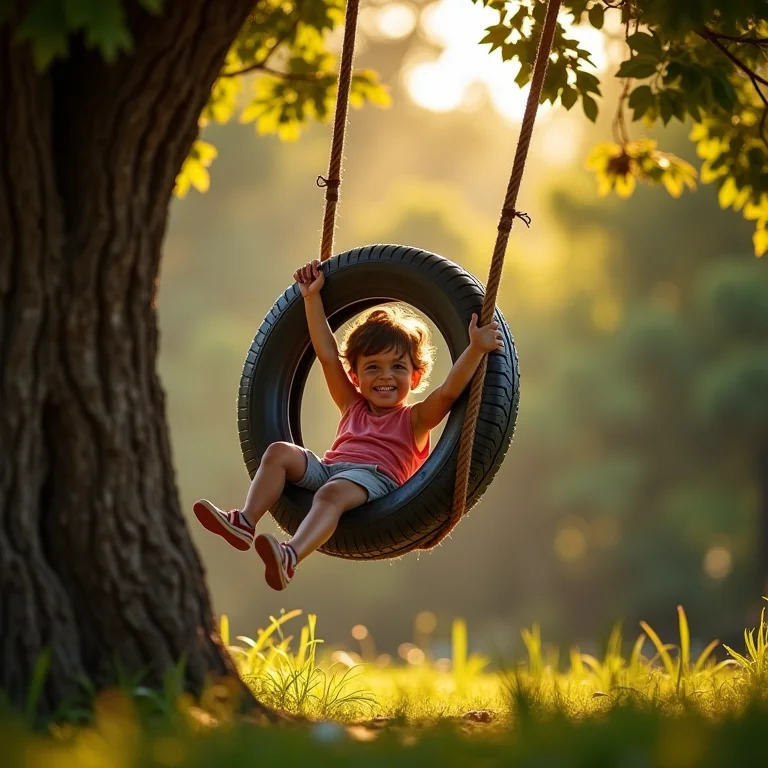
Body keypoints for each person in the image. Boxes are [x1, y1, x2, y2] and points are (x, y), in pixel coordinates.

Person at [193, 259, 503, 590]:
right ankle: (245, 521)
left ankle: (290, 556)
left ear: (415, 376)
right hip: (331, 468)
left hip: (376, 480)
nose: (385, 376)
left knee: (330, 495)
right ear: (355, 376)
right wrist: (311, 299)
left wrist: (475, 349)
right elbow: (327, 353)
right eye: (372, 367)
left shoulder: (415, 418)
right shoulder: (352, 403)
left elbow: (450, 391)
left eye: (397, 366)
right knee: (279, 452)